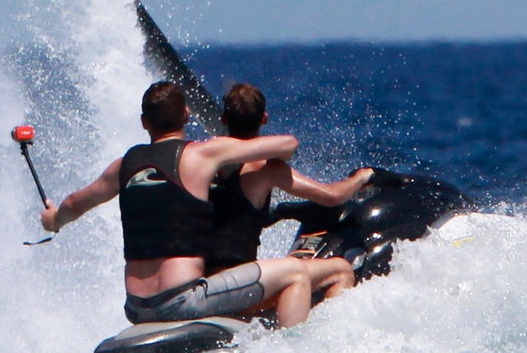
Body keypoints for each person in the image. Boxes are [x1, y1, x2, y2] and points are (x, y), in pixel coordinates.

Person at [40, 82, 356, 329]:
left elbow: (72, 204)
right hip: (182, 300)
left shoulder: (122, 166)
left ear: (144, 122)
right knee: (296, 272)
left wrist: (54, 220)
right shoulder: (202, 154)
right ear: (187, 116)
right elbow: (289, 144)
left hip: (135, 307)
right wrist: (237, 152)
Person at [209, 83, 373, 306]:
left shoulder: (200, 166)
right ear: (264, 118)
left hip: (203, 284)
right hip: (237, 289)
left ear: (224, 119)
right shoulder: (263, 167)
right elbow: (332, 196)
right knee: (341, 270)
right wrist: (361, 178)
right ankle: (320, 337)